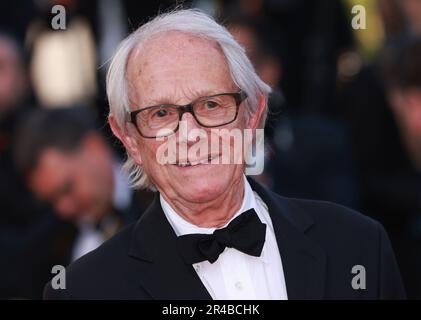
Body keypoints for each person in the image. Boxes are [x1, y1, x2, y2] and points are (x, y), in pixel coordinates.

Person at [44, 9, 405, 300]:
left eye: (212, 104)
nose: (190, 135)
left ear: (254, 114)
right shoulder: (85, 290)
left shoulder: (359, 245)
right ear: (129, 138)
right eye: (161, 114)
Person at [14, 107, 152, 264]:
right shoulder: (62, 250)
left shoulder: (162, 189)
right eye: (51, 201)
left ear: (94, 148)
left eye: (67, 188)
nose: (63, 209)